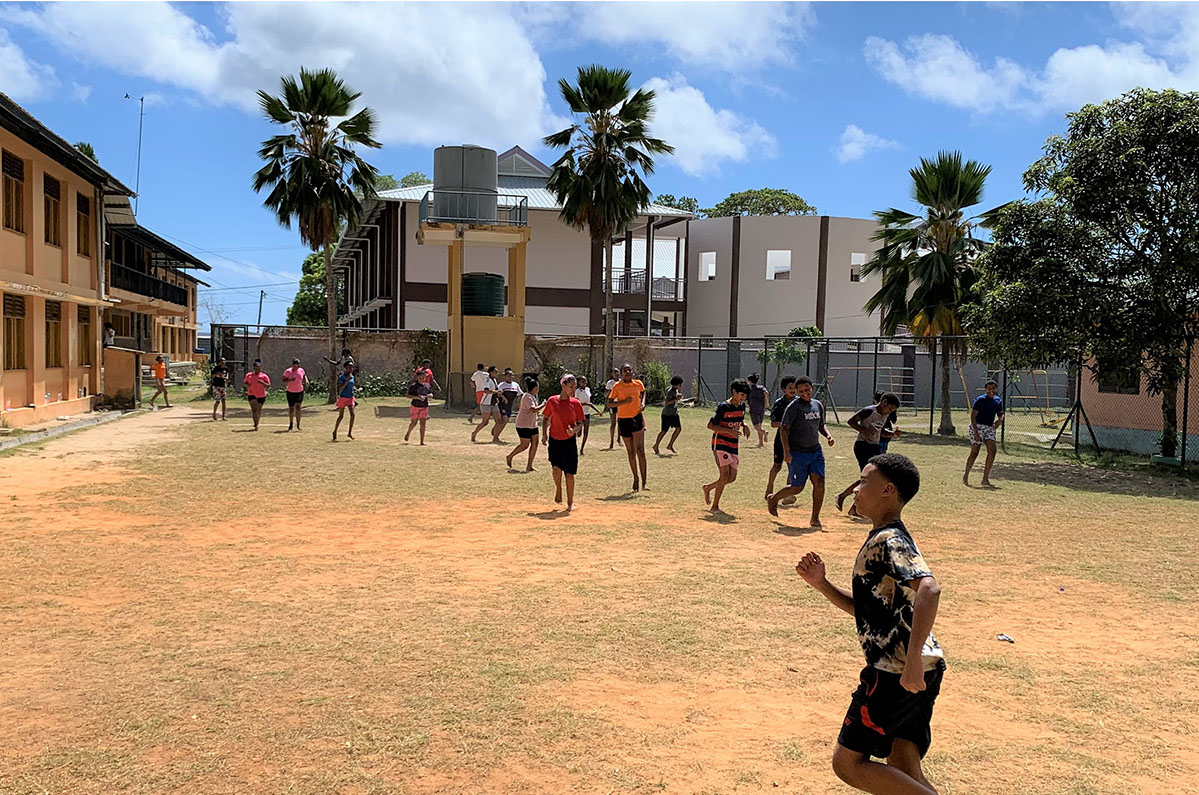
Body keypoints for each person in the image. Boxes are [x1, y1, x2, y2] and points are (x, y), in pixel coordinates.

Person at [795, 453, 944, 795]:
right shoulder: (886, 537)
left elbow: (930, 589)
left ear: (888, 490)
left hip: (896, 671)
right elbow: (872, 611)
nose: (856, 490)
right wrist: (822, 584)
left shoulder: (889, 540)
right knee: (903, 764)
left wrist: (911, 662)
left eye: (863, 482)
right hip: (924, 665)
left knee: (848, 763)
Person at [767, 375, 835, 526]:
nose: (805, 393)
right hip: (798, 453)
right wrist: (787, 452)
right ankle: (774, 498)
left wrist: (828, 436)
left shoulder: (817, 405)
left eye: (807, 389)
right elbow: (784, 429)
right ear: (797, 392)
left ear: (812, 388)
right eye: (801, 391)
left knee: (819, 482)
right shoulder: (794, 407)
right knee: (797, 487)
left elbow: (821, 425)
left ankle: (815, 517)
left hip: (815, 451)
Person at [836, 393, 902, 518]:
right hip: (862, 446)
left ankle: (850, 504)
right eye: (889, 409)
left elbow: (881, 431)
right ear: (884, 402)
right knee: (869, 478)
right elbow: (851, 421)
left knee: (872, 478)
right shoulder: (869, 411)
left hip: (874, 446)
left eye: (892, 411)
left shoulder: (884, 415)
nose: (889, 412)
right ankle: (846, 499)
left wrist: (893, 434)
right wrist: (864, 431)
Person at [703, 379, 751, 512]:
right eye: (741, 395)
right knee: (724, 475)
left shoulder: (741, 406)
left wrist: (745, 425)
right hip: (720, 443)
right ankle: (715, 506)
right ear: (734, 392)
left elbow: (740, 419)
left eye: (745, 395)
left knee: (732, 478)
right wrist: (729, 431)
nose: (743, 398)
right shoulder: (724, 407)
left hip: (733, 445)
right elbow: (711, 426)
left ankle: (708, 488)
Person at [541, 373, 585, 512]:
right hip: (555, 440)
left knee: (569, 473)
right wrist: (544, 435)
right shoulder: (552, 401)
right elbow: (545, 418)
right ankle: (558, 489)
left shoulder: (576, 403)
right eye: (571, 387)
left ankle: (570, 503)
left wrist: (574, 430)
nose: (573, 390)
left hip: (569, 442)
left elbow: (580, 423)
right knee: (556, 469)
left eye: (575, 387)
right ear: (563, 386)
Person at [608, 363, 649, 491]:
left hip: (636, 417)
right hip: (624, 420)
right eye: (625, 370)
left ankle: (644, 483)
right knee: (631, 452)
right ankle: (635, 478)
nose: (628, 372)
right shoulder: (617, 386)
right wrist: (624, 402)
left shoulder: (638, 383)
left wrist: (642, 403)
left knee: (640, 450)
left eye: (630, 370)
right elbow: (610, 403)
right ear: (621, 373)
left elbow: (643, 392)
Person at [964, 379, 1004, 487]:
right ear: (985, 390)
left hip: (989, 428)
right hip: (978, 427)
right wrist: (976, 433)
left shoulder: (998, 401)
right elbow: (973, 416)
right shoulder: (980, 400)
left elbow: (1000, 413)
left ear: (996, 389)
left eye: (993, 389)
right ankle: (966, 475)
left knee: (992, 450)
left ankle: (985, 479)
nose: (991, 391)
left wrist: (999, 421)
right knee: (975, 452)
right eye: (989, 389)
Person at [765, 376, 798, 503]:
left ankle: (788, 494)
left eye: (794, 387)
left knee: (793, 466)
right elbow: (773, 423)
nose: (793, 390)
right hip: (781, 440)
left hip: (796, 440)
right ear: (784, 389)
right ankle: (769, 487)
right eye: (790, 387)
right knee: (777, 465)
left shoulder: (799, 402)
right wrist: (786, 424)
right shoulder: (779, 403)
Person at [507, 376, 545, 471]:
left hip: (532, 424)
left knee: (535, 443)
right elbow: (533, 409)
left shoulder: (532, 397)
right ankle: (510, 456)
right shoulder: (527, 396)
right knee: (524, 445)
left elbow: (534, 411)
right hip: (523, 425)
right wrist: (544, 405)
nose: (538, 390)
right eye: (537, 388)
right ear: (534, 388)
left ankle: (529, 466)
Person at [653, 375, 685, 455]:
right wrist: (676, 399)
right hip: (667, 414)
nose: (681, 386)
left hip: (674, 413)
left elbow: (666, 389)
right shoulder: (671, 391)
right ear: (676, 384)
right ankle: (656, 445)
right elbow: (667, 403)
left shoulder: (674, 389)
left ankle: (670, 445)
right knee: (664, 431)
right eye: (680, 384)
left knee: (678, 429)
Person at [471, 366, 503, 443]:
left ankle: (495, 437)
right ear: (491, 373)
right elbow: (486, 391)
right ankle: (474, 433)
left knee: (499, 421)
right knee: (485, 422)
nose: (497, 374)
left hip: (494, 403)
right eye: (495, 372)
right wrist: (496, 392)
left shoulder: (494, 380)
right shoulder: (488, 380)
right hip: (486, 403)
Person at [405, 369, 433, 445]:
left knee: (423, 424)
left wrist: (430, 395)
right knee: (414, 423)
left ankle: (422, 441)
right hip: (415, 406)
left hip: (424, 406)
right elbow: (408, 395)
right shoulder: (413, 386)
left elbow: (429, 393)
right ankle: (408, 432)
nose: (422, 379)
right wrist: (418, 397)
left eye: (423, 378)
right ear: (417, 378)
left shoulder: (427, 385)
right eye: (420, 378)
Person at [495, 368, 523, 440]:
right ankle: (495, 437)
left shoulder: (515, 385)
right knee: (503, 419)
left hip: (510, 406)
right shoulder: (502, 385)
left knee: (506, 421)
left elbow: (520, 394)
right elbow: (497, 393)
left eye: (511, 375)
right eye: (508, 376)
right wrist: (503, 397)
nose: (510, 377)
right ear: (505, 376)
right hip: (502, 405)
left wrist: (518, 403)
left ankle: (496, 432)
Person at [282, 358, 310, 432]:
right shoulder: (288, 371)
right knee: (291, 408)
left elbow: (304, 375)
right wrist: (290, 380)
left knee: (298, 407)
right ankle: (291, 423)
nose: (295, 366)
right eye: (294, 365)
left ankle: (298, 425)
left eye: (297, 365)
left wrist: (306, 380)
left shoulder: (301, 370)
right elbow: (283, 380)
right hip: (290, 392)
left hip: (299, 391)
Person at [243, 359, 271, 431]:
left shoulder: (264, 376)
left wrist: (262, 383)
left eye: (257, 367)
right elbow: (245, 382)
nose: (256, 368)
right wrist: (247, 385)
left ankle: (257, 421)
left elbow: (268, 385)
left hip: (261, 395)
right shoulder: (249, 375)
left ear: (260, 367)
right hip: (252, 394)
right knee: (254, 410)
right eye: (255, 367)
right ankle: (256, 424)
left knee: (258, 410)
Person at [332, 360, 356, 441]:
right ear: (345, 368)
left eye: (352, 367)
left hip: (350, 397)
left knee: (352, 415)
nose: (351, 369)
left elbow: (352, 385)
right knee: (341, 416)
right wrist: (347, 380)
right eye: (349, 367)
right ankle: (335, 431)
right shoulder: (342, 377)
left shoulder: (352, 377)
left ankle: (349, 433)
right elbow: (341, 388)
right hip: (343, 398)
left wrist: (354, 388)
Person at [576, 375, 598, 455]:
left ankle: (582, 449)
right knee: (579, 433)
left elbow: (590, 403)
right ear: (579, 383)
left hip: (587, 413)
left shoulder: (588, 389)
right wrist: (585, 404)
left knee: (586, 432)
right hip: (579, 413)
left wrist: (598, 411)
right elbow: (576, 403)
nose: (584, 382)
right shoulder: (577, 391)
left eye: (585, 381)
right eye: (582, 381)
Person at [746, 373, 770, 448]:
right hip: (761, 408)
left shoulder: (749, 390)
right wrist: (767, 403)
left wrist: (746, 404)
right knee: (760, 425)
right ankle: (761, 443)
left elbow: (746, 400)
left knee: (756, 426)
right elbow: (766, 393)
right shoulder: (761, 387)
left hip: (753, 409)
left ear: (750, 381)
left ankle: (764, 432)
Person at [605, 368, 622, 450]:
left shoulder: (621, 382)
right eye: (614, 372)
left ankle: (619, 438)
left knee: (620, 422)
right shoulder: (610, 383)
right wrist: (611, 391)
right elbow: (605, 394)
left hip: (621, 403)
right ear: (612, 374)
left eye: (617, 372)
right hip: (612, 404)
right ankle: (611, 440)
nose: (616, 374)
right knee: (613, 423)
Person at [210, 357, 229, 421]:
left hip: (223, 386)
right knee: (217, 401)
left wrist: (225, 378)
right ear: (220, 362)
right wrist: (217, 374)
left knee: (224, 401)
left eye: (224, 361)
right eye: (222, 361)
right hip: (216, 386)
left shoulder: (226, 368)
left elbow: (227, 375)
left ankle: (223, 416)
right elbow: (212, 376)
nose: (223, 362)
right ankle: (214, 414)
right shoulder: (216, 368)